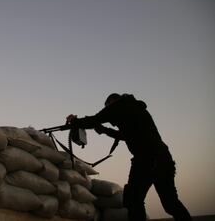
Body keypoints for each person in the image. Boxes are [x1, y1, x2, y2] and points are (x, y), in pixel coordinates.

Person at [66, 93, 192, 221]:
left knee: (133, 200)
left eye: (108, 107)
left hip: (146, 158)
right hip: (163, 158)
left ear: (112, 101)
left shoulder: (118, 106)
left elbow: (95, 119)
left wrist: (75, 121)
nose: (111, 118)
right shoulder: (134, 109)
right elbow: (124, 135)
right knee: (171, 203)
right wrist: (104, 130)